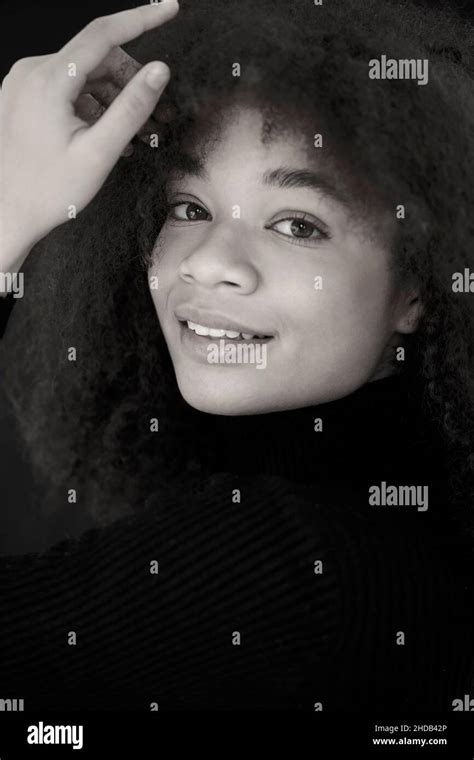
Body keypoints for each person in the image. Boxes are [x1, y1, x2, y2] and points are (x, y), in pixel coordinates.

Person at [0, 0, 473, 711]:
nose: (212, 263)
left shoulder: (286, 562)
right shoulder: (386, 519)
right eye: (189, 208)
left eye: (297, 224)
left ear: (417, 290)